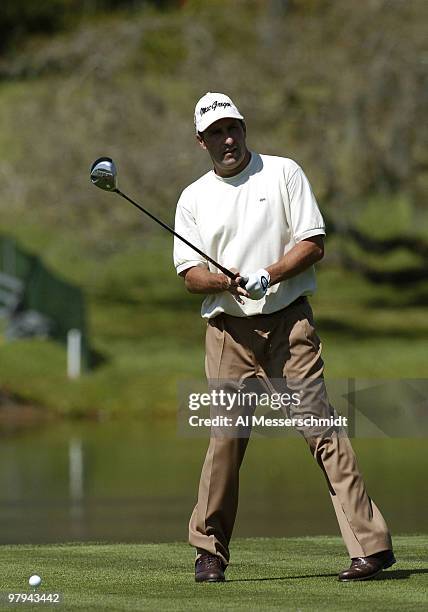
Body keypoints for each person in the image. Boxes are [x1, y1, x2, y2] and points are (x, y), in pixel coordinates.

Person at [173, 92, 395, 583]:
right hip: (228, 333)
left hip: (289, 328)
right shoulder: (193, 198)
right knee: (226, 442)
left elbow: (313, 243)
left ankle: (372, 547)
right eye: (215, 133)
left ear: (244, 128)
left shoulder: (282, 173)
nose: (227, 139)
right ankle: (208, 551)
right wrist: (227, 281)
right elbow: (190, 275)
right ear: (201, 140)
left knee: (323, 431)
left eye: (233, 128)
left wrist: (268, 275)